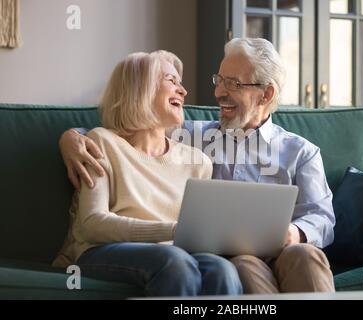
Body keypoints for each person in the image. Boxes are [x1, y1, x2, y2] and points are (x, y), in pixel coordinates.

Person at [59, 38, 336, 294]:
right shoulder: (192, 137)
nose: (219, 92)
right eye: (219, 80)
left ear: (266, 95)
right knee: (242, 265)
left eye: (233, 84)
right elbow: (132, 128)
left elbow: (322, 217)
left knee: (306, 255)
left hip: (285, 249)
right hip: (234, 255)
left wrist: (295, 232)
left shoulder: (301, 152)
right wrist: (69, 138)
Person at [53, 51, 242, 297]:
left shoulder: (198, 162)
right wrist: (172, 230)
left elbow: (196, 233)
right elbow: (91, 224)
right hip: (100, 251)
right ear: (141, 88)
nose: (183, 91)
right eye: (171, 81)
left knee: (223, 270)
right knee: (174, 262)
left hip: (173, 253)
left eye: (180, 83)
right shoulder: (101, 143)